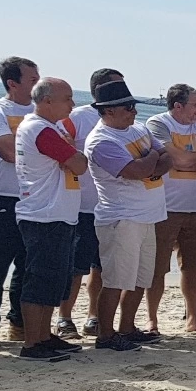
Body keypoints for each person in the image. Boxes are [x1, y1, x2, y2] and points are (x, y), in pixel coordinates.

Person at [83, 80, 172, 350]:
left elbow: (168, 156)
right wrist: (151, 161)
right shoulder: (101, 141)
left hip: (147, 215)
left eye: (133, 106)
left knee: (140, 278)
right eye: (128, 107)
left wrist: (151, 163)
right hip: (121, 218)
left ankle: (127, 327)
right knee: (116, 280)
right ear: (108, 111)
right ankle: (106, 334)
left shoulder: (139, 129)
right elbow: (134, 171)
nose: (134, 112)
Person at [12, 78, 88, 361]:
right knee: (41, 278)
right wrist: (73, 154)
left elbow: (74, 161)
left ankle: (43, 335)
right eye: (67, 98)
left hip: (57, 213)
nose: (72, 103)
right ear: (47, 101)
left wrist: (72, 154)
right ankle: (33, 342)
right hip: (45, 214)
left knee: (55, 279)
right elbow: (79, 163)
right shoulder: (40, 129)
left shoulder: (49, 127)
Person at [0, 56, 39, 347]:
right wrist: (48, 151)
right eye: (32, 80)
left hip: (39, 198)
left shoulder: (45, 113)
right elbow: (8, 151)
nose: (38, 84)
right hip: (3, 198)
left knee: (28, 266)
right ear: (12, 83)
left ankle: (19, 324)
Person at [57, 67, 123, 340]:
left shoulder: (122, 119)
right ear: (99, 89)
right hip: (82, 205)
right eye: (116, 87)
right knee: (76, 267)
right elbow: (61, 149)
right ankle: (64, 317)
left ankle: (93, 316)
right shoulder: (77, 117)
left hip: (109, 205)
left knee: (103, 266)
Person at [145, 83, 196, 334]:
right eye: (195, 104)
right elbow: (176, 159)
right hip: (165, 206)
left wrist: (184, 163)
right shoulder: (158, 123)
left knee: (193, 269)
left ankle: (193, 318)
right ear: (178, 106)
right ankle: (152, 320)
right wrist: (187, 162)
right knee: (157, 268)